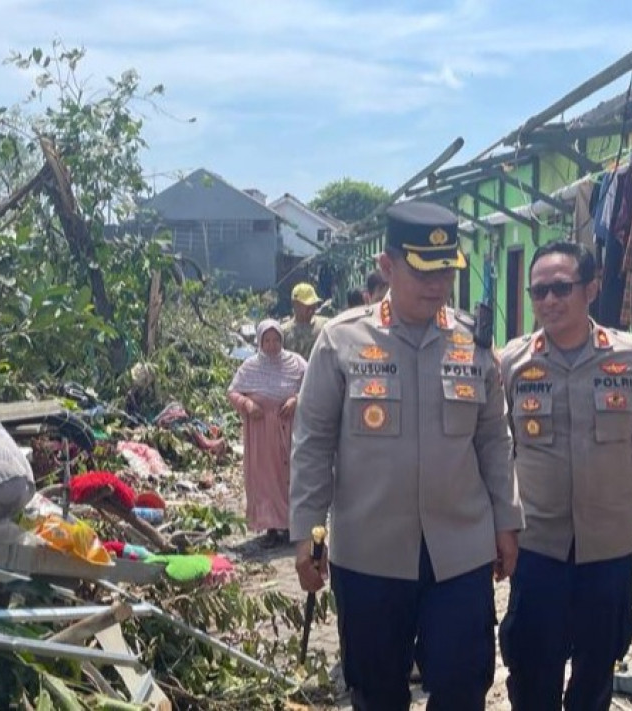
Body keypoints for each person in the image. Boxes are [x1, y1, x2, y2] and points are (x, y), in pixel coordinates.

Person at [291, 200, 522, 710]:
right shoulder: (341, 341)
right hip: (369, 551)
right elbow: (313, 441)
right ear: (387, 266)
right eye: (422, 269)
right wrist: (308, 533)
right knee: (376, 691)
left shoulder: (473, 343)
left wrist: (506, 520)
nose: (436, 283)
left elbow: (493, 439)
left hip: (459, 550)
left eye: (445, 269)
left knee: (464, 686)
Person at [497, 241, 632, 710]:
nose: (549, 300)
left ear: (590, 288)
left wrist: (607, 493)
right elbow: (497, 444)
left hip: (607, 547)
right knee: (532, 665)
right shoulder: (513, 364)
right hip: (537, 546)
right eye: (539, 291)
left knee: (597, 665)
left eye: (560, 288)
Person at [227, 320, 306, 546]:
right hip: (260, 434)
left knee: (289, 476)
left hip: (289, 429)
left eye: (276, 340)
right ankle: (271, 527)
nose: (272, 345)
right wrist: (248, 405)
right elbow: (233, 392)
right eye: (267, 341)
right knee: (263, 478)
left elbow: (311, 384)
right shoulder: (250, 367)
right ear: (260, 342)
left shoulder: (297, 363)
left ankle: (290, 525)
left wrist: (295, 399)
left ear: (282, 340)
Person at [281, 282, 328, 358]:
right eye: (308, 306)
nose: (312, 309)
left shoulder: (325, 326)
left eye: (314, 305)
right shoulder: (283, 332)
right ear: (295, 304)